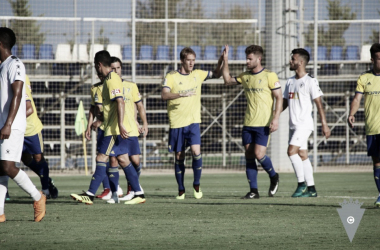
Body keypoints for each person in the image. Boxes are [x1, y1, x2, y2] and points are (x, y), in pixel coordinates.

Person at [71, 50, 144, 205]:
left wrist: (121, 124)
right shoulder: (111, 79)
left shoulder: (111, 80)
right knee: (123, 159)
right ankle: (139, 193)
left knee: (101, 158)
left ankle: (90, 194)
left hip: (114, 129)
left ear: (98, 65)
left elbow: (120, 102)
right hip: (114, 128)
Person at [161, 47, 223, 199]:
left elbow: (216, 74)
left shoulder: (198, 74)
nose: (191, 63)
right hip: (177, 123)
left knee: (196, 152)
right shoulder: (171, 76)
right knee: (179, 156)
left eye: (193, 60)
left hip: (193, 122)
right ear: (182, 60)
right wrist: (181, 94)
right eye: (189, 60)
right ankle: (181, 190)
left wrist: (222, 60)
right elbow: (164, 95)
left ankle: (196, 185)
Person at [222, 44, 281, 199]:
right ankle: (253, 191)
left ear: (258, 59)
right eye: (246, 58)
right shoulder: (245, 76)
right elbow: (227, 80)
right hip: (248, 123)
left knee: (259, 154)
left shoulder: (270, 75)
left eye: (250, 58)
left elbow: (279, 97)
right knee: (249, 155)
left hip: (263, 123)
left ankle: (274, 176)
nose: (247, 61)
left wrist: (275, 118)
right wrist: (225, 60)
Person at [0, 27, 46, 222]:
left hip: (12, 126)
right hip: (3, 125)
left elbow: (17, 93)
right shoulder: (1, 66)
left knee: (8, 167)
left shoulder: (15, 63)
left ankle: (38, 197)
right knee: (1, 168)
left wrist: (8, 123)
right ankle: (0, 212)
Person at [282, 48, 331, 198]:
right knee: (302, 154)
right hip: (293, 125)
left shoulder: (311, 81)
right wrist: (274, 116)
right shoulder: (290, 81)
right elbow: (285, 103)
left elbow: (319, 104)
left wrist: (324, 124)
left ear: (301, 62)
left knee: (291, 152)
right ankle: (311, 189)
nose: (290, 61)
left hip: (304, 125)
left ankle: (301, 184)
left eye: (293, 59)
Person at [109, 56, 148, 202]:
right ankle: (117, 191)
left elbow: (139, 105)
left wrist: (143, 123)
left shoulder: (131, 86)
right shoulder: (108, 86)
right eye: (112, 68)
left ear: (121, 69)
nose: (116, 71)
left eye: (118, 68)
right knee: (117, 160)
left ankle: (133, 189)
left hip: (131, 129)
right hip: (117, 130)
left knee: (135, 161)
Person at [348, 43, 380, 207]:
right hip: (372, 127)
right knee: (376, 162)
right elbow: (357, 99)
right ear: (372, 60)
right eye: (379, 59)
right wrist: (352, 113)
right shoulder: (364, 78)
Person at [85, 73, 123, 200]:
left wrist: (100, 121)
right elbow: (93, 109)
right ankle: (111, 190)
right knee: (106, 158)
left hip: (111, 128)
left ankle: (117, 189)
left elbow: (115, 108)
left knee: (110, 159)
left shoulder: (112, 85)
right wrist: (88, 125)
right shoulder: (94, 88)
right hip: (102, 130)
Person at [21, 74, 59, 199]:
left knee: (38, 158)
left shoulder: (20, 77)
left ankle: (45, 189)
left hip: (31, 128)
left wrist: (11, 120)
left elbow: (29, 108)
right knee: (23, 160)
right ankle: (46, 179)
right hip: (16, 130)